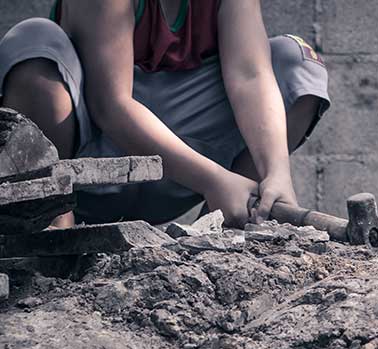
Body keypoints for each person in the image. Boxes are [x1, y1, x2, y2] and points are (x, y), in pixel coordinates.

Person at [0, 0, 330, 228]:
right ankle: (51, 227)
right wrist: (213, 179)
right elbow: (111, 106)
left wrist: (276, 172)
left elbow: (251, 75)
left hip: (176, 170)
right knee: (34, 40)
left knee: (295, 63)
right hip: (89, 164)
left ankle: (233, 224)